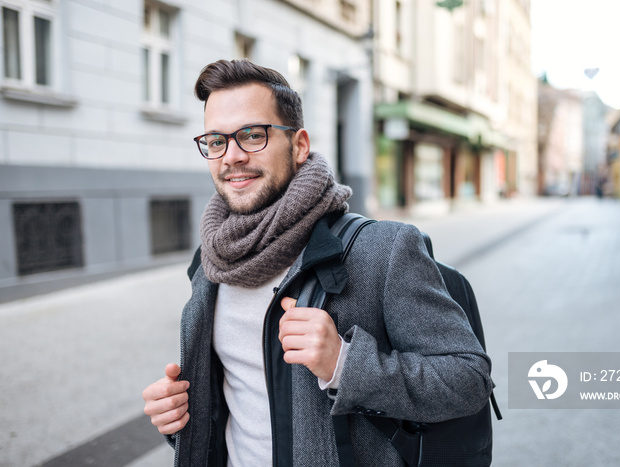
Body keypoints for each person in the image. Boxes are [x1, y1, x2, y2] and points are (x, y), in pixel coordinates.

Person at [142, 59, 492, 467]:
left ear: (299, 145)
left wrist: (344, 364)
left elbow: (469, 379)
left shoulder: (382, 250)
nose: (231, 156)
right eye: (216, 141)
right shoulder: (211, 262)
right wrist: (180, 420)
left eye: (252, 135)